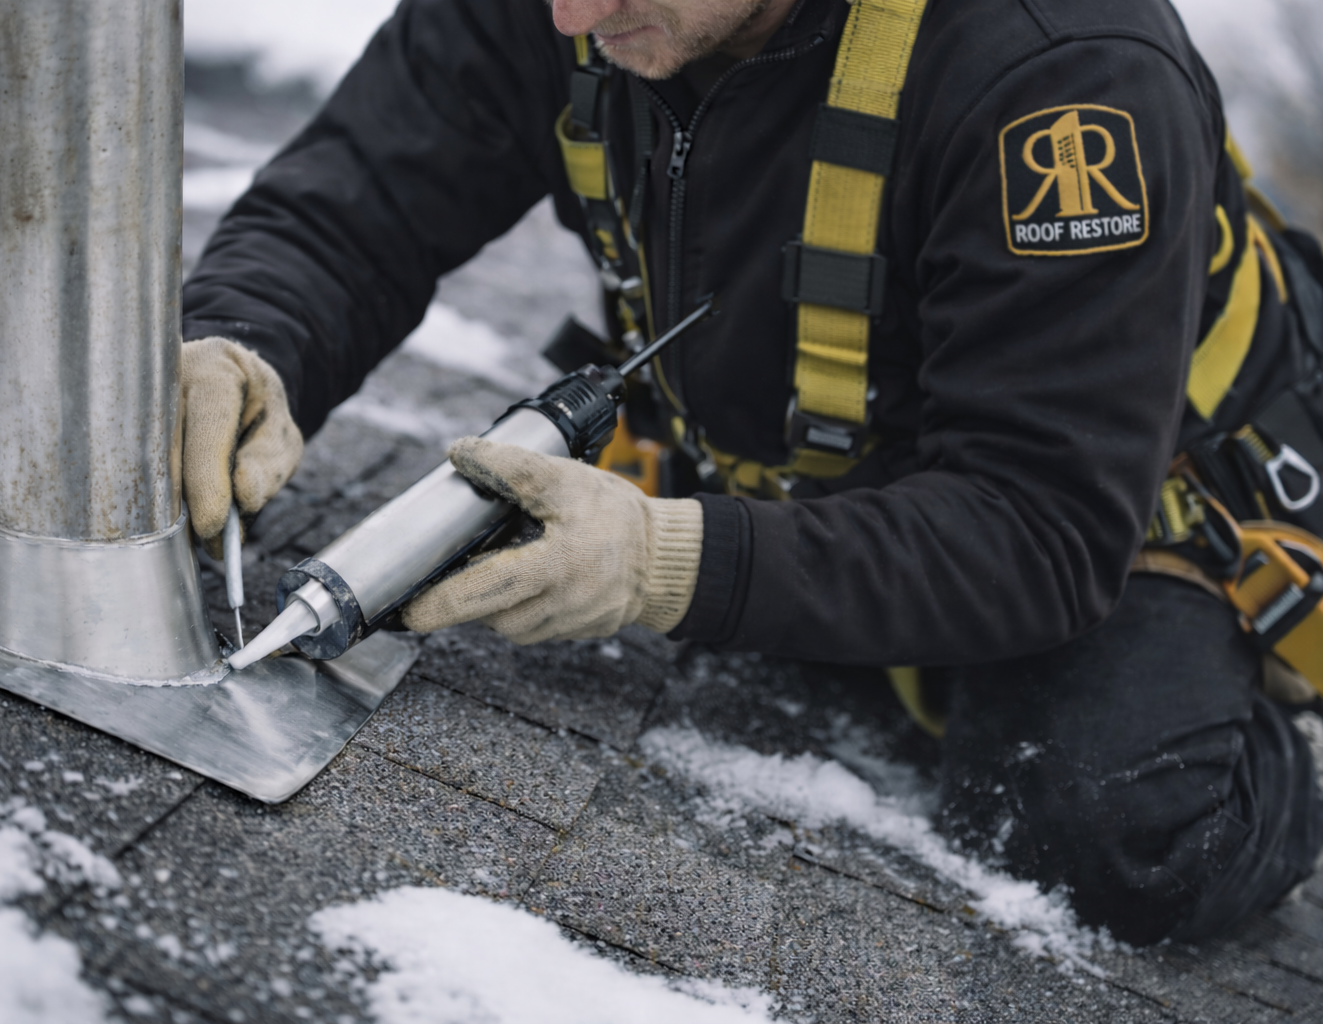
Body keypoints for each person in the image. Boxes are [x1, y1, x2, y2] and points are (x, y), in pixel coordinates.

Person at [176, 0, 1323, 944]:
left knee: (1102, 828)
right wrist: (246, 340)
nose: (574, 15)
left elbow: (1040, 529)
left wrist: (666, 561)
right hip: (836, 453)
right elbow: (357, 207)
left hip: (1141, 488)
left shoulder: (1063, 71)